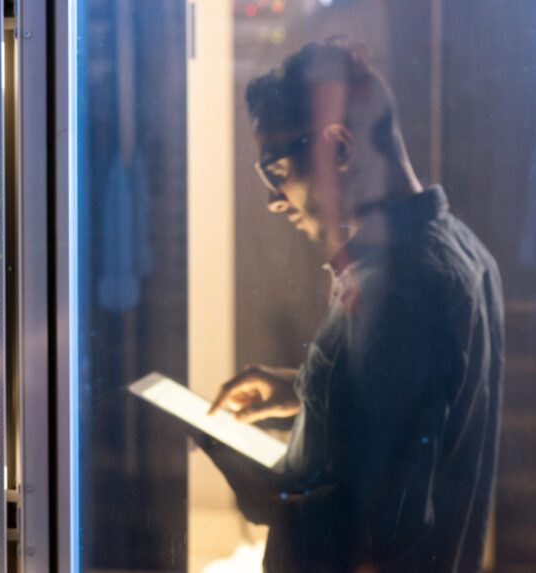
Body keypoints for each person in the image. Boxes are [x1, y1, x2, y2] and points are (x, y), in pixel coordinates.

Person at [202, 39, 504, 572]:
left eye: (275, 170)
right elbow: (407, 420)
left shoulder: (401, 292)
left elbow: (385, 530)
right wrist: (306, 390)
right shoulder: (465, 253)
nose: (273, 198)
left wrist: (267, 496)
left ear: (339, 147)